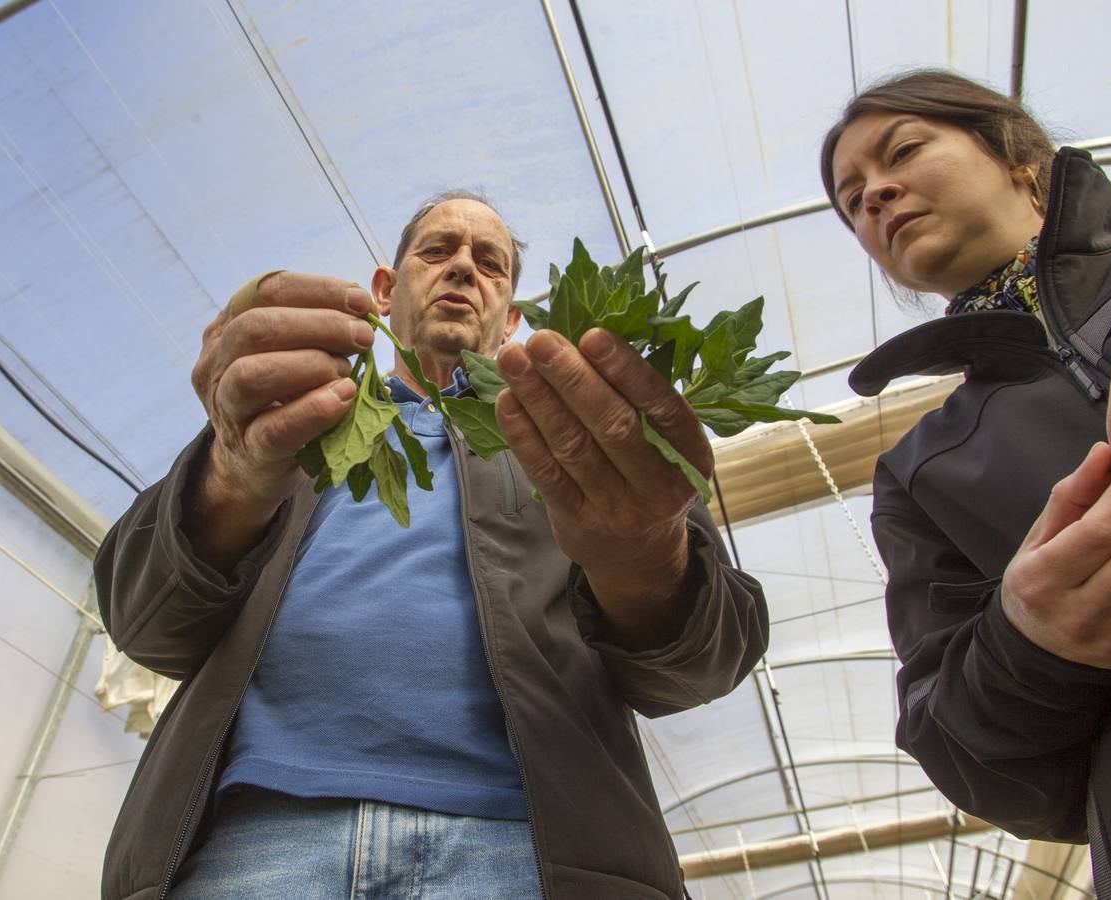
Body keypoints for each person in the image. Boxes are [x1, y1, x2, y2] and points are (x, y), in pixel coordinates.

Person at [95, 190, 769, 899]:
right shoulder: (288, 423)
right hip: (259, 837)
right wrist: (229, 479)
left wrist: (643, 556)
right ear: (385, 291)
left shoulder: (584, 444)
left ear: (511, 320)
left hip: (530, 851)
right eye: (438, 250)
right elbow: (146, 624)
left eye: (491, 263)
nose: (463, 269)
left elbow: (700, 667)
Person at [823, 70, 1111, 895]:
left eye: (905, 151)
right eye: (852, 202)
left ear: (1019, 158)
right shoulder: (924, 470)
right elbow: (958, 746)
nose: (875, 195)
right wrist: (1033, 645)